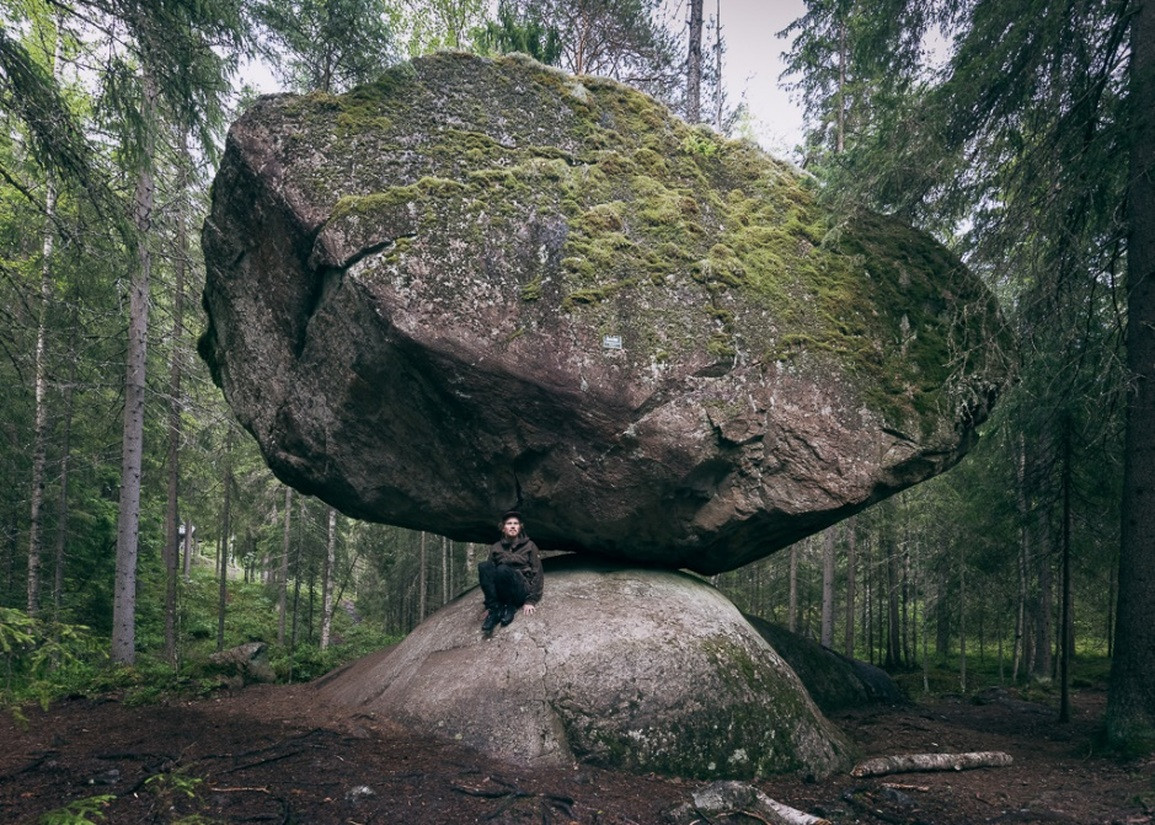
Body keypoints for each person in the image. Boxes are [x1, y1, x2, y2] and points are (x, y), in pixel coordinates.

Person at [478, 509, 543, 633]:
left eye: (515, 523)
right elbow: (489, 575)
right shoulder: (496, 547)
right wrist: (488, 606)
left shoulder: (530, 546)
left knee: (502, 569)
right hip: (502, 589)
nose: (513, 526)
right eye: (509, 524)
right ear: (503, 528)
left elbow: (538, 573)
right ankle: (495, 609)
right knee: (484, 566)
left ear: (520, 527)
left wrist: (531, 601)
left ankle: (510, 607)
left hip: (520, 589)